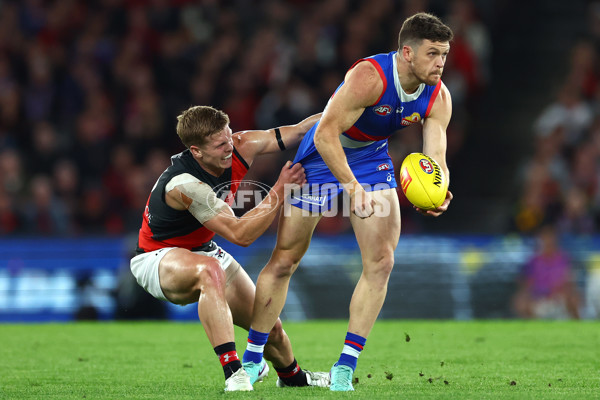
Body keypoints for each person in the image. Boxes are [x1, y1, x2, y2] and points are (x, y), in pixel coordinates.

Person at [243, 13, 454, 391]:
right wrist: (353, 189)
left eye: (445, 54)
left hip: (372, 158)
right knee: (285, 259)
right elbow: (325, 133)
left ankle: (344, 367)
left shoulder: (438, 96)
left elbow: (435, 158)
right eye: (433, 54)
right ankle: (254, 359)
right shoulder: (370, 76)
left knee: (383, 260)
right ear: (407, 53)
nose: (441, 63)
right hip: (323, 155)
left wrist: (438, 190)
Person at [130, 105, 330, 392]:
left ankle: (293, 377)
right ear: (197, 151)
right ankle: (234, 372)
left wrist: (344, 106)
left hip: (203, 250)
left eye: (229, 136)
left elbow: (299, 130)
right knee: (209, 271)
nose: (229, 147)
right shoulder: (185, 185)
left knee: (267, 327)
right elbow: (240, 234)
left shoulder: (240, 144)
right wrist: (280, 188)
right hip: (158, 258)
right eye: (219, 144)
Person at [512, 224, 581, 319]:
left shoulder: (564, 259)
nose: (548, 241)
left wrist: (559, 292)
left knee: (573, 298)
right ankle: (528, 330)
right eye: (544, 238)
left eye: (550, 237)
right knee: (521, 301)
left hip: (560, 298)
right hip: (539, 298)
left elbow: (570, 281)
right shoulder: (533, 261)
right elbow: (527, 284)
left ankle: (577, 327)